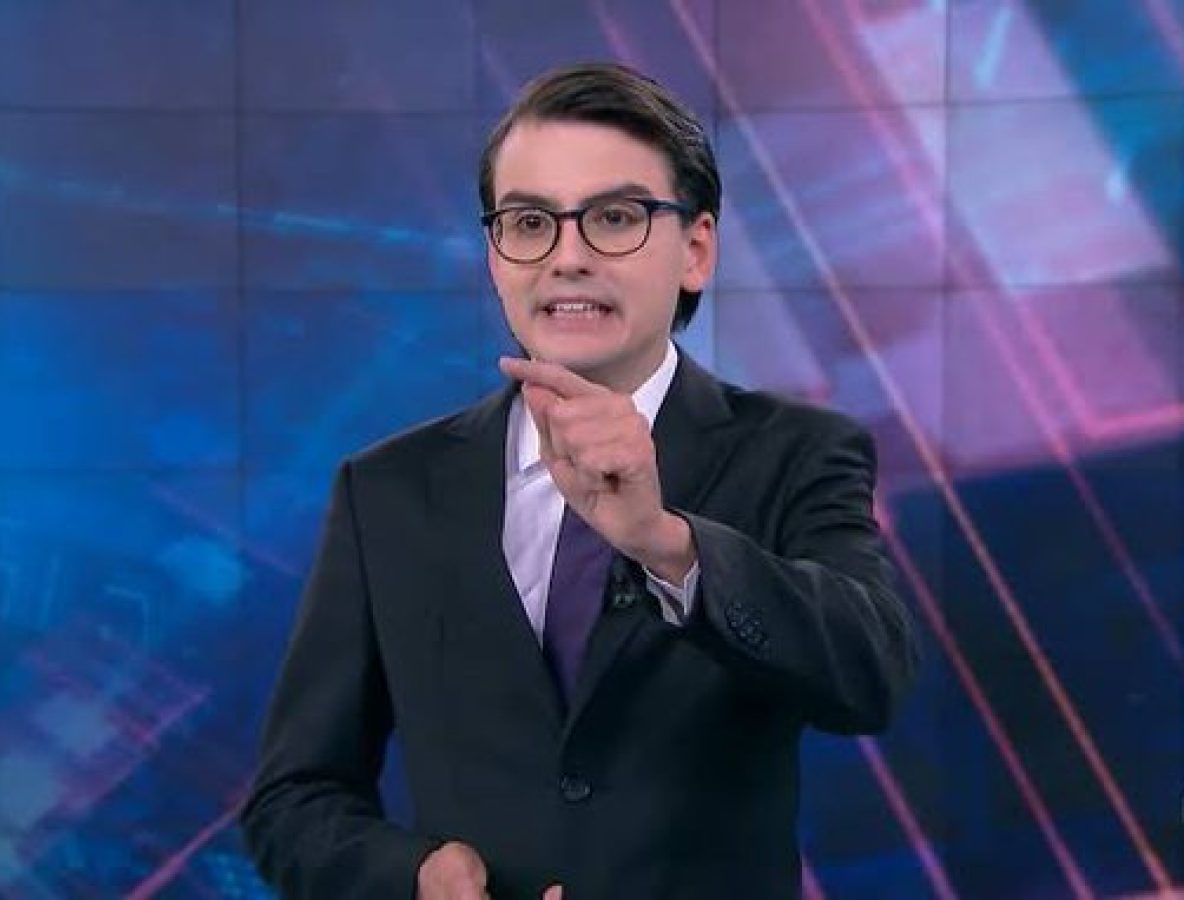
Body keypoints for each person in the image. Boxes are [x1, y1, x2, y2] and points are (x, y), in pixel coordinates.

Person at [241, 61, 919, 900]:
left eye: (615, 218)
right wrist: (415, 877)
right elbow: (293, 799)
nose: (567, 257)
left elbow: (869, 677)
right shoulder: (387, 490)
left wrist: (665, 545)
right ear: (495, 256)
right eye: (530, 223)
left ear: (696, 249)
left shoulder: (798, 451)